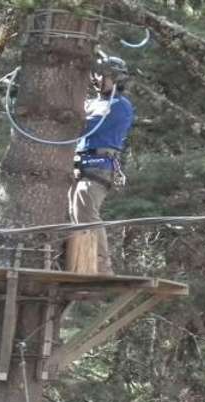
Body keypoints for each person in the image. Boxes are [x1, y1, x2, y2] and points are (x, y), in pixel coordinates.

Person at [68, 55, 135, 275]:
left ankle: (101, 266)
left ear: (116, 79)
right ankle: (78, 264)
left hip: (99, 165)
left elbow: (86, 125)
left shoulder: (120, 106)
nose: (96, 79)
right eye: (95, 75)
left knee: (85, 211)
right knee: (74, 213)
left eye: (102, 75)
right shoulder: (90, 103)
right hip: (79, 164)